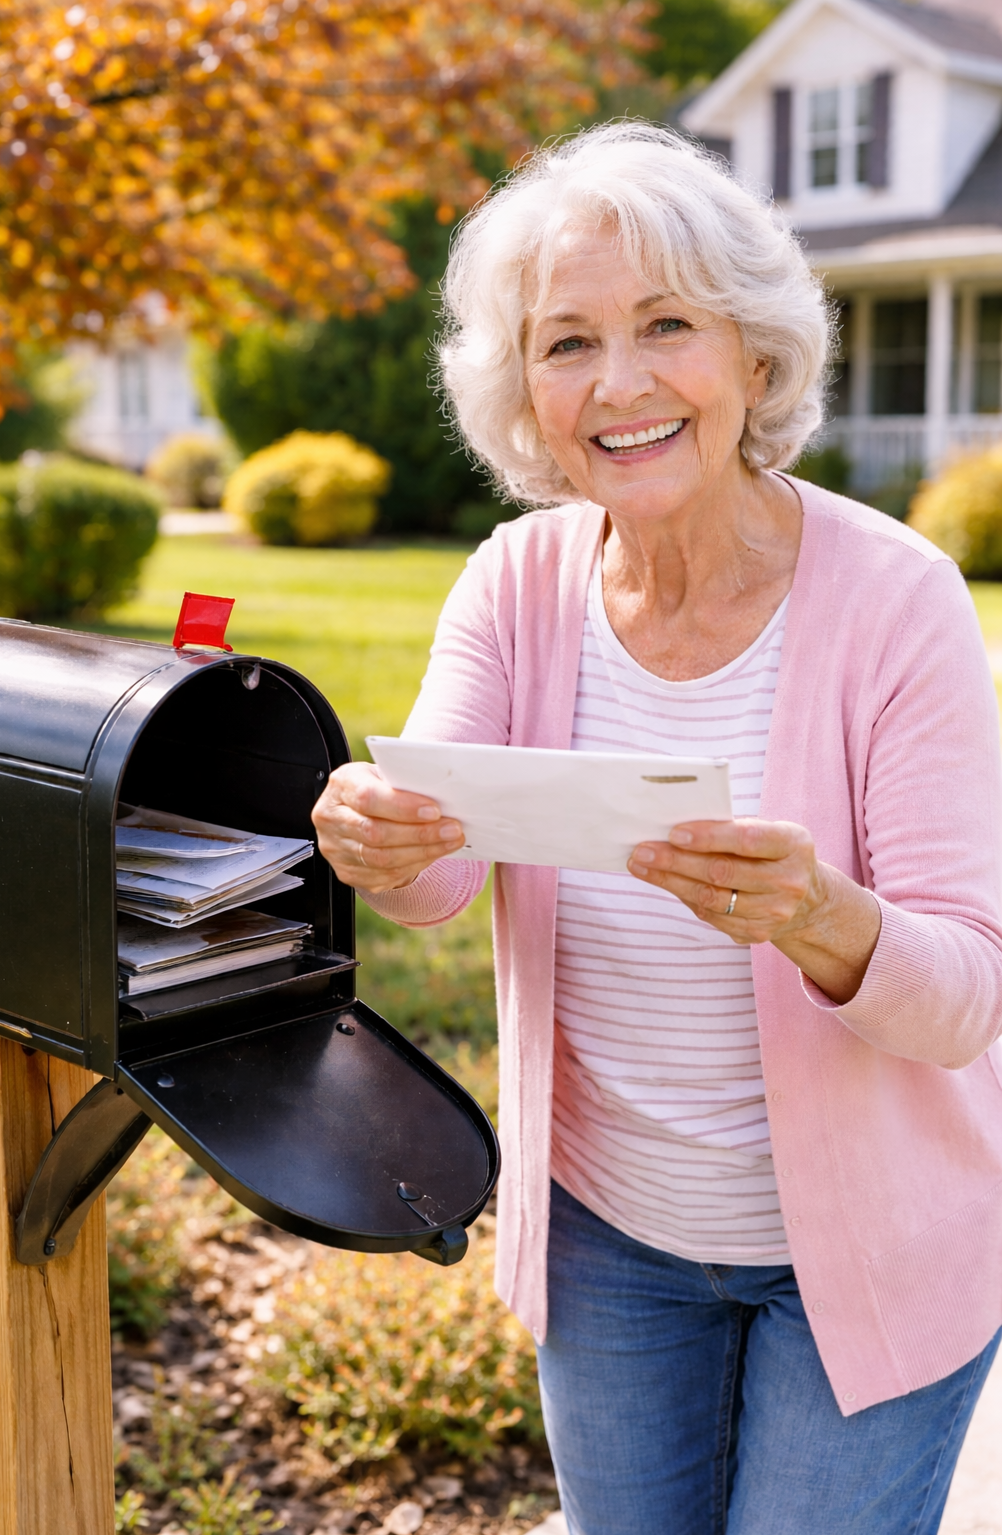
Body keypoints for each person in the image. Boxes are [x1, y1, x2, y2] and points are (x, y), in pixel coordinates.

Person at [312, 123, 1002, 1534]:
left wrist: (823, 919)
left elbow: (970, 997)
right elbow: (441, 865)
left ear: (753, 355)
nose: (619, 384)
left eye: (667, 324)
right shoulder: (514, 582)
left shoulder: (899, 599)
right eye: (568, 343)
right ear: (527, 391)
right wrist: (383, 838)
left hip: (870, 1254)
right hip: (612, 1244)